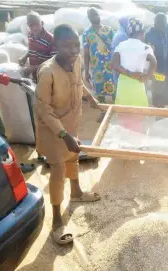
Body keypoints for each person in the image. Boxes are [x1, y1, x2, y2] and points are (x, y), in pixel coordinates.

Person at [35, 24, 100, 245]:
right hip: (54, 131)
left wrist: (90, 97)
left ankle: (77, 192)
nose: (73, 51)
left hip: (71, 125)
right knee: (58, 169)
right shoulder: (47, 72)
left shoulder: (77, 60)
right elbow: (43, 109)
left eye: (76, 45)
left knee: (73, 157)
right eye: (67, 46)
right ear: (55, 46)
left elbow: (79, 84)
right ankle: (56, 220)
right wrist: (64, 135)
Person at [112, 18, 157, 132]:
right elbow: (154, 62)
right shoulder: (145, 47)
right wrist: (146, 76)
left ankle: (124, 140)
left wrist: (130, 73)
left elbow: (114, 65)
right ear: (143, 33)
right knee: (138, 115)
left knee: (124, 115)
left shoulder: (121, 45)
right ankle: (136, 140)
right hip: (138, 84)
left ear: (129, 32)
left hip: (123, 85)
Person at [83, 8, 115, 104]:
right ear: (89, 18)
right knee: (99, 90)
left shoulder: (109, 30)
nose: (95, 16)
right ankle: (103, 110)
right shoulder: (86, 33)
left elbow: (116, 48)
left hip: (111, 65)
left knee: (114, 88)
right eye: (92, 15)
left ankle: (115, 109)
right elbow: (86, 54)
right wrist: (86, 71)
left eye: (96, 14)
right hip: (97, 67)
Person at [19, 11, 56, 82]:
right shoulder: (30, 35)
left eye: (37, 24)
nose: (34, 28)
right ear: (28, 25)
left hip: (47, 78)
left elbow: (54, 61)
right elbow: (31, 49)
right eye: (31, 25)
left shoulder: (50, 39)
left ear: (42, 23)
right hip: (35, 76)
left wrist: (33, 68)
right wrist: (25, 57)